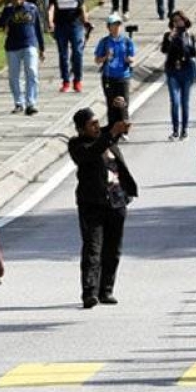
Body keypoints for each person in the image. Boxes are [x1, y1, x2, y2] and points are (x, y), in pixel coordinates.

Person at [68, 105, 135, 309]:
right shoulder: (78, 145)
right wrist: (111, 133)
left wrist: (120, 107)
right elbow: (93, 151)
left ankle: (106, 289)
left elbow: (118, 126)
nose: (97, 127)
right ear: (81, 129)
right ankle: (89, 291)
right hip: (92, 203)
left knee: (113, 249)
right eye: (92, 124)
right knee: (92, 248)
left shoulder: (105, 137)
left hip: (116, 200)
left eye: (98, 123)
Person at [0, 0, 45, 116]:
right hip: (12, 46)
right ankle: (19, 102)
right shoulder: (8, 9)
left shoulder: (32, 8)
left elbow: (38, 29)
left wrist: (42, 47)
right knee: (14, 76)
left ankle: (31, 103)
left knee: (32, 72)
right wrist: (12, 9)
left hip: (30, 44)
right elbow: (0, 24)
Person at [47, 0, 87, 94]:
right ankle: (65, 81)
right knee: (63, 55)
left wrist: (86, 21)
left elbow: (83, 8)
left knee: (77, 52)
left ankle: (77, 80)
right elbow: (51, 9)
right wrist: (50, 22)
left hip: (76, 26)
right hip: (61, 27)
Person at [161, 11, 196, 140]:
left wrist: (186, 45)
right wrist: (170, 39)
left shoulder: (189, 35)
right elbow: (164, 50)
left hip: (186, 71)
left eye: (179, 20)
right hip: (172, 71)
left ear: (184, 21)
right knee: (175, 102)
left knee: (184, 102)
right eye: (174, 21)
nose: (177, 23)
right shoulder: (168, 35)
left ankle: (185, 130)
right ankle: (175, 130)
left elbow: (194, 53)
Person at [94, 14, 136, 127]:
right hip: (108, 77)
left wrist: (129, 60)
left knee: (123, 103)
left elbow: (132, 57)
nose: (116, 27)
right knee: (111, 103)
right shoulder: (104, 42)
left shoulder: (127, 41)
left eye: (118, 24)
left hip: (123, 76)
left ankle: (124, 126)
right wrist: (105, 57)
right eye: (114, 24)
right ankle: (112, 127)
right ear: (109, 27)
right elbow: (97, 60)